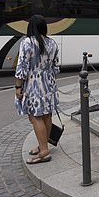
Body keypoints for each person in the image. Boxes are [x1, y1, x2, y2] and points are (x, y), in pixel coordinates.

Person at [14, 15, 60, 164]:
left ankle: (44, 151)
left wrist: (18, 86)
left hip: (34, 84)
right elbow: (56, 67)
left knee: (36, 117)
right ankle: (43, 145)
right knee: (46, 115)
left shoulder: (27, 43)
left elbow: (22, 67)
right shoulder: (52, 43)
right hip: (49, 84)